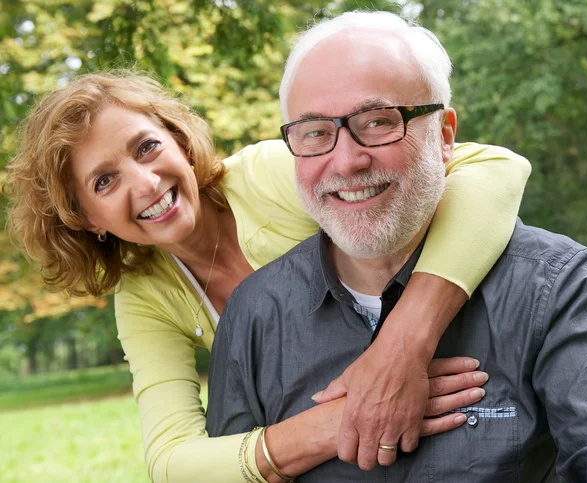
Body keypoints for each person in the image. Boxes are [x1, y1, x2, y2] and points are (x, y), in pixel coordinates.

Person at [5, 65, 530, 482]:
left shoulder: (269, 175)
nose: (144, 184)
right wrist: (339, 423)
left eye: (147, 147)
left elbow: (496, 168)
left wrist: (401, 348)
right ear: (82, 218)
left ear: (181, 143)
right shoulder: (144, 296)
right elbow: (170, 461)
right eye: (103, 181)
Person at [207, 10, 587, 483]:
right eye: (315, 132)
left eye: (377, 122)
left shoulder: (560, 289)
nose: (347, 161)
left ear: (445, 137)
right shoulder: (254, 314)